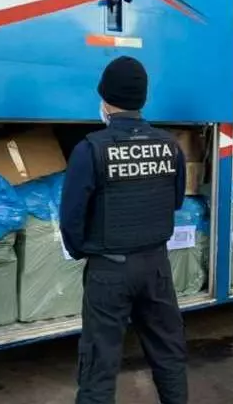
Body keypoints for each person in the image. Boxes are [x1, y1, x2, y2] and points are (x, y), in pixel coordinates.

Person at [60, 56, 189, 404]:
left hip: (109, 269)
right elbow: (175, 201)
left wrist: (83, 251)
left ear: (104, 100)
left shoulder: (90, 149)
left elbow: (71, 218)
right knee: (169, 353)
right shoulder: (170, 145)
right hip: (156, 266)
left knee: (99, 364)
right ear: (142, 99)